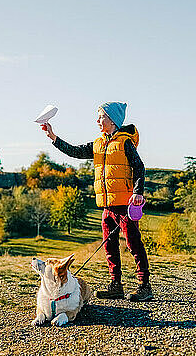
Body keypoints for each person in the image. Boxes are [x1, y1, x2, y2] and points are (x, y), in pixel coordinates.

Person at [41, 101, 153, 301]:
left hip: (125, 205)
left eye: (101, 116)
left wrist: (138, 192)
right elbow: (74, 151)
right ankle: (115, 285)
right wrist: (53, 136)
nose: (98, 120)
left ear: (112, 120)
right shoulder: (98, 143)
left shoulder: (125, 143)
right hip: (106, 205)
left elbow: (140, 168)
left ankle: (144, 286)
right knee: (110, 246)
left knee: (133, 243)